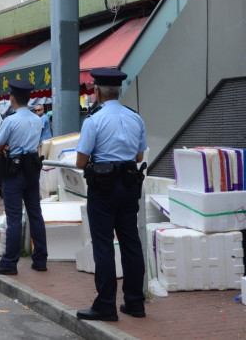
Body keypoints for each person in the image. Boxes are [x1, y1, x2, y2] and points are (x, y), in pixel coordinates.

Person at [74, 68, 147, 322]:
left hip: (103, 188)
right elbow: (139, 157)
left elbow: (81, 161)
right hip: (129, 185)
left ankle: (106, 305)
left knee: (103, 245)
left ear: (97, 92)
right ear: (119, 91)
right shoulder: (135, 118)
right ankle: (135, 303)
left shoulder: (94, 121)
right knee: (131, 243)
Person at [0, 80, 48, 275]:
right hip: (32, 170)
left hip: (15, 171)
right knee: (35, 214)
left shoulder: (10, 121)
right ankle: (40, 259)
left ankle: (9, 263)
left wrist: (7, 148)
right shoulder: (37, 119)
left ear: (11, 98)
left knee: (14, 218)